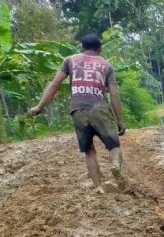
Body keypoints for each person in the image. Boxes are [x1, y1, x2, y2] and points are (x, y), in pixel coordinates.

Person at [28, 33, 126, 190]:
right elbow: (114, 94)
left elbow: (55, 84)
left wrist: (39, 107)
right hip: (100, 108)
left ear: (82, 48)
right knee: (113, 145)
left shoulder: (70, 60)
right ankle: (114, 164)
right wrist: (120, 120)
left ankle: (98, 187)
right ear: (100, 49)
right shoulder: (107, 66)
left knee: (89, 150)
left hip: (78, 110)